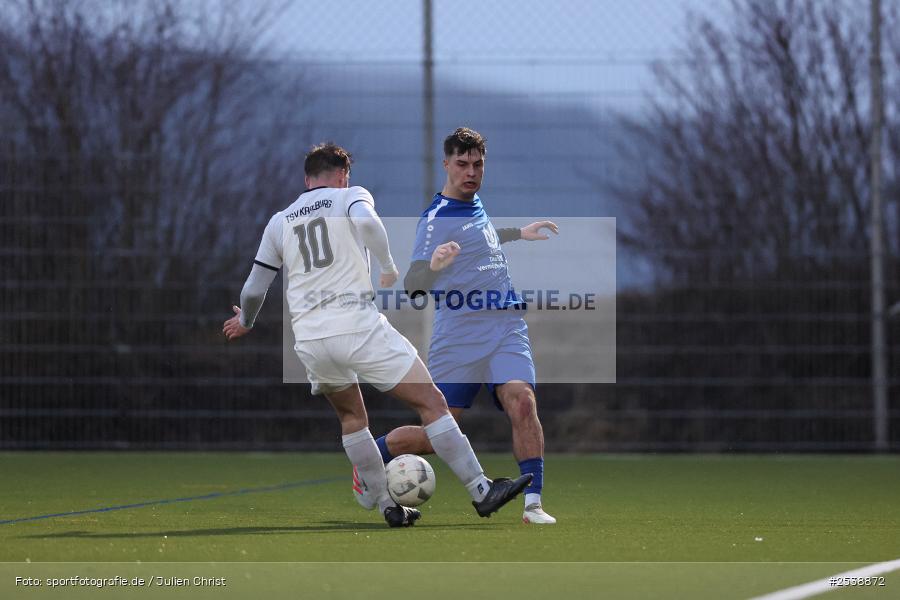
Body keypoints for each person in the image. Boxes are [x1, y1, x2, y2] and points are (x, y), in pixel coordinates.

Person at [222, 142, 531, 528]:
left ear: (306, 179)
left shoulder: (279, 221)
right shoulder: (351, 195)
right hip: (356, 325)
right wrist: (386, 265)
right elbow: (368, 224)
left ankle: (388, 505)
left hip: (311, 339)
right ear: (342, 176)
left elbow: (254, 288)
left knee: (352, 418)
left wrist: (247, 322)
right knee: (433, 403)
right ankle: (481, 490)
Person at [371, 128, 559, 524]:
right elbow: (414, 284)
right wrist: (435, 267)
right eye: (462, 164)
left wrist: (518, 234)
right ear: (447, 165)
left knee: (522, 402)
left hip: (506, 327)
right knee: (438, 434)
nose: (470, 172)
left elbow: (481, 240)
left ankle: (533, 505)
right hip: (459, 335)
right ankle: (371, 455)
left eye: (478, 164)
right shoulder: (436, 218)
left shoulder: (474, 204)